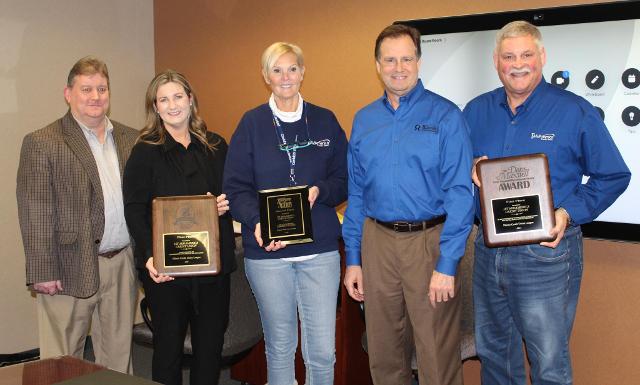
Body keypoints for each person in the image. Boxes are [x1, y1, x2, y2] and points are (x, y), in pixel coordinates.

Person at [463, 20, 631, 385]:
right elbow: (454, 172)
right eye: (509, 56)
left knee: (548, 363)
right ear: (496, 61)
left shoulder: (575, 111)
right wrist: (469, 168)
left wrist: (568, 213)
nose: (517, 64)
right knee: (494, 356)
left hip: (546, 254)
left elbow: (614, 176)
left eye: (526, 54)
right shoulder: (475, 112)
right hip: (488, 252)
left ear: (542, 57)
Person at [342, 24, 474, 385]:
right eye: (389, 60)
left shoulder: (446, 116)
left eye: (406, 59)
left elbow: (462, 194)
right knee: (383, 352)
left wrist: (447, 263)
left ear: (418, 62)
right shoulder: (364, 119)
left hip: (428, 243)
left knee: (436, 353)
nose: (398, 67)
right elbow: (356, 195)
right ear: (377, 65)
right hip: (377, 241)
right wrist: (354, 260)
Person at [223, 42, 347, 385]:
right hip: (267, 253)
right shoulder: (251, 124)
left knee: (322, 351)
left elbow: (345, 179)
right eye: (276, 70)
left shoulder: (324, 120)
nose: (285, 77)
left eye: (292, 68)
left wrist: (321, 191)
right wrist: (257, 221)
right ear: (266, 77)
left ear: (303, 72)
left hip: (319, 251)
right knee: (280, 347)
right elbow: (235, 188)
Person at [16, 56, 138, 373]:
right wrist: (42, 269)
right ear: (68, 93)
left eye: (101, 88)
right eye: (86, 89)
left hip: (121, 262)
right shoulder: (43, 142)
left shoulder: (131, 138)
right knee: (62, 364)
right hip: (67, 266)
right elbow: (35, 209)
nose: (95, 96)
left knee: (117, 360)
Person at [123, 70, 236, 385]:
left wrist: (225, 204)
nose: (172, 105)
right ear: (155, 108)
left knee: (210, 349)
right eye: (163, 99)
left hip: (212, 269)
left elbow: (233, 193)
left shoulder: (216, 146)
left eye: (178, 97)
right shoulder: (144, 151)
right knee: (168, 350)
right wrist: (149, 256)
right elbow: (134, 209)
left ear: (190, 100)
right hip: (167, 271)